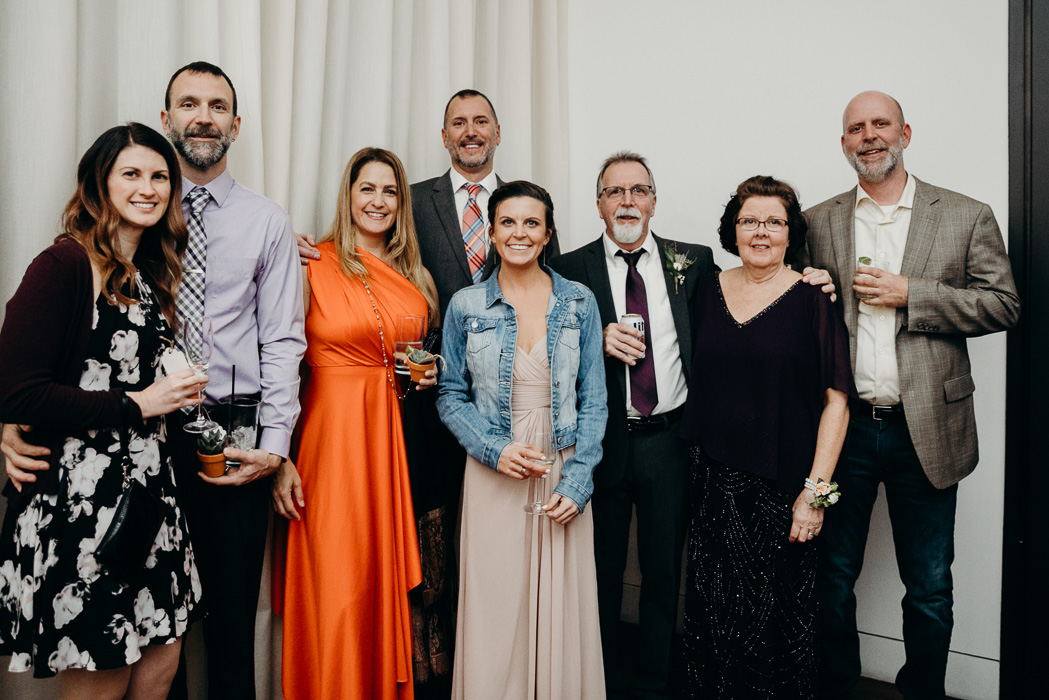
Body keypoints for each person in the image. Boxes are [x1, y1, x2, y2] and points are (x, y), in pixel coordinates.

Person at [797, 91, 1020, 700]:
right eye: (855, 128)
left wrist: (911, 293)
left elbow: (1004, 304)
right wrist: (807, 284)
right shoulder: (816, 221)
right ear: (843, 143)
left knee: (928, 586)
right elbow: (790, 308)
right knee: (832, 576)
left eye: (881, 124)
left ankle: (923, 691)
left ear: (906, 133)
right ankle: (838, 686)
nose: (869, 136)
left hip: (927, 428)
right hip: (845, 431)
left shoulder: (966, 214)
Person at [0, 123, 205, 697]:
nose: (149, 187)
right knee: (103, 679)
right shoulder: (63, 265)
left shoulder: (145, 275)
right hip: (84, 516)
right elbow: (16, 392)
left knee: (161, 664)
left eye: (160, 176)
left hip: (151, 504)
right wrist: (140, 403)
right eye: (131, 174)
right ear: (100, 183)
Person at [677, 175, 855, 698]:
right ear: (733, 229)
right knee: (711, 615)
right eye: (749, 220)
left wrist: (815, 495)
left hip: (783, 491)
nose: (761, 232)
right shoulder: (704, 289)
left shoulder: (812, 298)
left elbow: (837, 401)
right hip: (710, 485)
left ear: (790, 232)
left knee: (776, 622)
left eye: (774, 222)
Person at [274, 147, 439, 699]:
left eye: (390, 191)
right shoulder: (310, 263)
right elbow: (280, 366)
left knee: (378, 580)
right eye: (366, 188)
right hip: (330, 441)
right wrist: (280, 458)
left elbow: (420, 364)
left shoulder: (415, 276)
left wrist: (430, 375)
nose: (378, 200)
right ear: (348, 196)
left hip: (394, 442)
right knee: (338, 584)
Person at [549, 151, 715, 700]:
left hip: (670, 440)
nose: (627, 201)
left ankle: (652, 686)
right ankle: (601, 683)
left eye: (638, 190)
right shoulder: (568, 269)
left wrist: (812, 277)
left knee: (664, 574)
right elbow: (539, 345)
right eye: (615, 191)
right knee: (599, 573)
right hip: (602, 443)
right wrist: (594, 341)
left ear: (653, 200)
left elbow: (741, 306)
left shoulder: (692, 261)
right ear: (598, 203)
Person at [437, 181, 607, 699]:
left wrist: (578, 482)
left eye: (532, 222)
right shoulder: (466, 305)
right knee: (494, 600)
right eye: (508, 222)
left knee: (559, 603)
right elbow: (448, 394)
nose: (519, 232)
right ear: (491, 231)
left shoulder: (580, 302)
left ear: (548, 233)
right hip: (495, 469)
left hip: (563, 465)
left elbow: (595, 400)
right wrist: (493, 449)